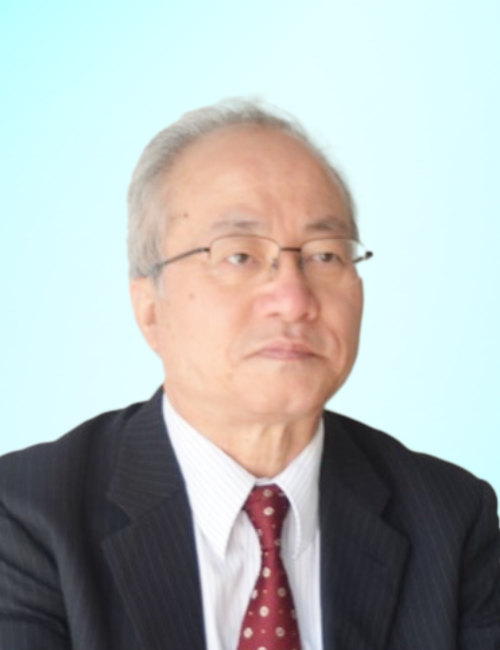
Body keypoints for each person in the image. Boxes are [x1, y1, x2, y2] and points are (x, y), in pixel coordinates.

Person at [0, 99, 499, 650]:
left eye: (325, 255)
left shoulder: (450, 519)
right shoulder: (27, 517)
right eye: (240, 255)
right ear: (149, 308)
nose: (294, 299)